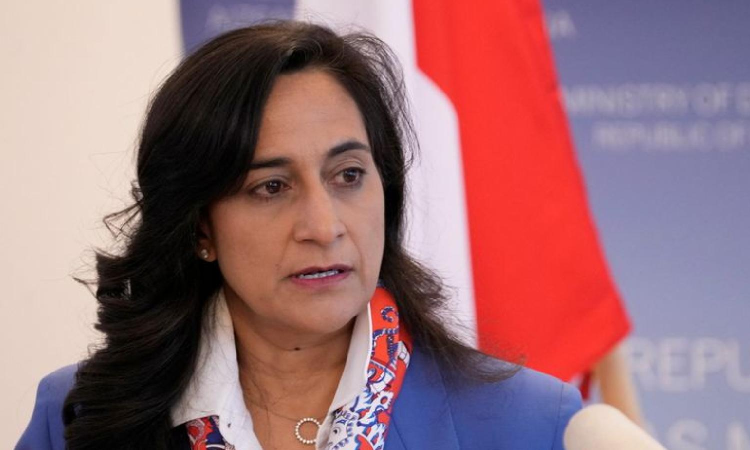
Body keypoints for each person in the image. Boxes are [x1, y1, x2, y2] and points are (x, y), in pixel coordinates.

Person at [15, 21, 581, 450]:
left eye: (349, 176)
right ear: (200, 226)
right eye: (271, 187)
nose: (324, 226)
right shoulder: (74, 415)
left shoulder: (531, 423)